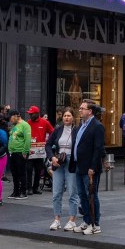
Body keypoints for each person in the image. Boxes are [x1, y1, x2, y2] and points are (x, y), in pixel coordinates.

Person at [72, 99, 106, 235]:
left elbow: (98, 148)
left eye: (82, 108)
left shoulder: (97, 126)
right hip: (79, 165)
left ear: (90, 111)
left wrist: (93, 167)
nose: (80, 110)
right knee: (82, 195)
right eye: (80, 108)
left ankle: (95, 224)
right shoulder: (82, 125)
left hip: (89, 168)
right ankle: (87, 221)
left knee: (91, 195)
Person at [46, 107, 79, 231]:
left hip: (72, 161)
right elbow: (48, 145)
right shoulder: (58, 130)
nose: (66, 118)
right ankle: (57, 220)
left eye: (69, 115)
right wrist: (52, 157)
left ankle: (72, 220)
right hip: (59, 161)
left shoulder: (77, 130)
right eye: (65, 115)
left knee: (72, 192)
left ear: (73, 117)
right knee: (56, 192)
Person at [26, 106, 53, 195]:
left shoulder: (44, 122)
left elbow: (52, 132)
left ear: (37, 114)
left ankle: (35, 187)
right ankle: (29, 188)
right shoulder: (28, 123)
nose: (30, 115)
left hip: (40, 151)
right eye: (29, 114)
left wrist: (48, 142)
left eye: (32, 114)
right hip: (30, 150)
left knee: (38, 170)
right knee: (29, 170)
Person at [6, 109, 31, 199]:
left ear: (15, 116)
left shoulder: (25, 125)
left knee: (21, 173)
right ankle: (16, 191)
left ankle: (23, 192)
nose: (10, 120)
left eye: (11, 118)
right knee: (14, 173)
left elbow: (28, 139)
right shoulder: (14, 125)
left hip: (20, 152)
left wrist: (25, 151)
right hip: (12, 152)